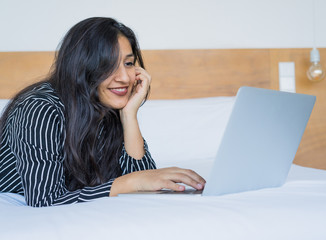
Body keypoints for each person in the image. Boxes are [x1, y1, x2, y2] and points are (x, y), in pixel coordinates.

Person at [0, 17, 205, 207]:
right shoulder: (39, 108)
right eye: (108, 65)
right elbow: (45, 199)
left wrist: (129, 115)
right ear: (81, 68)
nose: (125, 78)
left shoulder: (107, 104)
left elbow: (144, 182)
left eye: (128, 63)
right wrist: (127, 183)